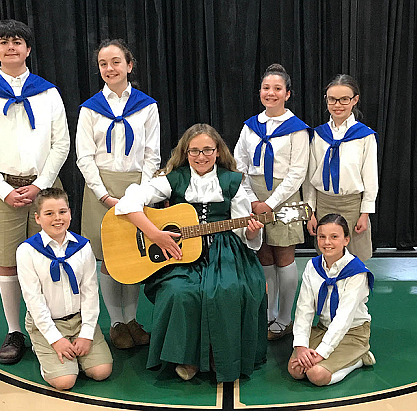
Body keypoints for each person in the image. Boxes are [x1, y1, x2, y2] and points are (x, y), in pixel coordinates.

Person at [114, 123, 267, 382]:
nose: (201, 156)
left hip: (224, 249)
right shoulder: (174, 178)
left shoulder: (233, 181)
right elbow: (129, 202)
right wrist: (154, 234)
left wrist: (251, 232)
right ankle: (186, 357)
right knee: (179, 292)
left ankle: (220, 357)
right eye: (194, 151)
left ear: (218, 151)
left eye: (207, 150)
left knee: (228, 289)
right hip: (179, 251)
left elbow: (243, 228)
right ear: (186, 153)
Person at [0, 19, 70, 364]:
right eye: (3, 42)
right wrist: (2, 189)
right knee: (9, 264)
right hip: (3, 191)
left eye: (17, 42)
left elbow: (61, 144)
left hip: (46, 188)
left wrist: (41, 185)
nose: (10, 47)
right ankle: (15, 331)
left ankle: (53, 324)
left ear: (28, 49)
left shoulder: (48, 92)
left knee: (52, 257)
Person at [76, 39, 160, 349]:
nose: (109, 68)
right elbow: (84, 157)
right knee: (108, 258)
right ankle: (115, 322)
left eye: (115, 62)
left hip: (135, 187)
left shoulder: (147, 106)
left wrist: (142, 193)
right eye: (103, 64)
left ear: (129, 65)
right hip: (101, 188)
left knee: (134, 254)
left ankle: (133, 318)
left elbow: (152, 154)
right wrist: (103, 194)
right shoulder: (90, 109)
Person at [234, 64, 310, 341]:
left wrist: (272, 203)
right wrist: (253, 200)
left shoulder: (297, 130)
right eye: (267, 88)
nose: (271, 93)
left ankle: (285, 318)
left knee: (284, 254)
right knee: (263, 254)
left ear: (287, 94)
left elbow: (297, 172)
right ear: (260, 92)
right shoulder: (249, 127)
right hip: (253, 195)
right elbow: (238, 164)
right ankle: (267, 314)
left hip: (285, 197)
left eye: (278, 89)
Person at [16, 188, 112, 390]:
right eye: (49, 213)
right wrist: (55, 339)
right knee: (65, 382)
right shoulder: (27, 251)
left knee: (101, 371)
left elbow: (90, 293)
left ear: (69, 212)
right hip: (48, 322)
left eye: (62, 212)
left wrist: (86, 334)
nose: (57, 218)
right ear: (38, 218)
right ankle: (42, 349)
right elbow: (33, 300)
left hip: (79, 320)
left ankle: (75, 352)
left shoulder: (83, 246)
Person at [288, 213, 375, 386]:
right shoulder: (312, 267)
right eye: (322, 237)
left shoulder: (356, 272)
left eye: (334, 237)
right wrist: (301, 346)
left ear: (346, 240)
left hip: (353, 332)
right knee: (296, 370)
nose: (327, 242)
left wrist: (322, 352)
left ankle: (359, 358)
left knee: (316, 375)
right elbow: (304, 309)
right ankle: (330, 358)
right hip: (323, 328)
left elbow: (344, 318)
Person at [303, 74, 378, 261]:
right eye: (332, 99)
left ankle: (356, 291)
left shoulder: (364, 136)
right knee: (327, 257)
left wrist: (364, 213)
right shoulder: (318, 135)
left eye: (344, 99)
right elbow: (309, 178)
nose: (338, 105)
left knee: (355, 259)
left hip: (352, 205)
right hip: (324, 204)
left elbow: (370, 177)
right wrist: (310, 212)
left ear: (355, 100)